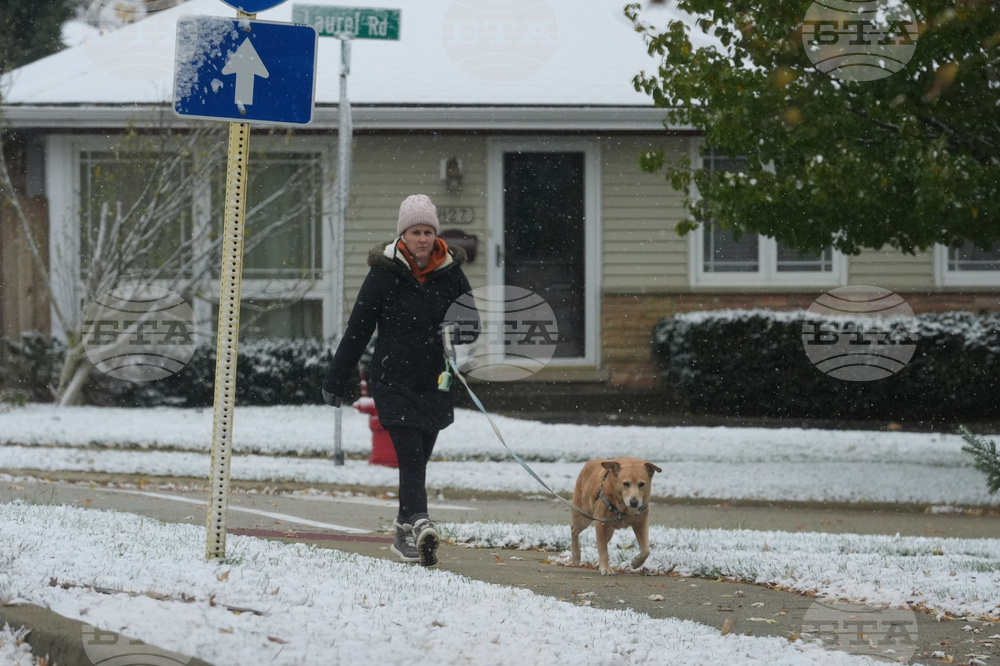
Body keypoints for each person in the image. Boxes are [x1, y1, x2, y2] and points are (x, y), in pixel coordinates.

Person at [322, 194, 475, 567]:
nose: (421, 239)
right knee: (409, 456)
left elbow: (472, 325)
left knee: (419, 458)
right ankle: (421, 523)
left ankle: (403, 531)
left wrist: (454, 329)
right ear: (402, 235)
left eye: (427, 231)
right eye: (414, 231)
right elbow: (358, 330)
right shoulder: (383, 274)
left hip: (435, 382)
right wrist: (336, 377)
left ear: (434, 235)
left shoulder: (451, 272)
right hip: (394, 381)